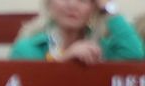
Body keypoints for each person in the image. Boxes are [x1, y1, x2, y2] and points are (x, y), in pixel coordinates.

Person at [9, 0, 144, 62]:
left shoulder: (102, 49)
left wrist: (108, 7)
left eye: (83, 0)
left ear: (94, 8)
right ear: (49, 4)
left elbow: (136, 55)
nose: (72, 4)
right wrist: (65, 61)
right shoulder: (27, 49)